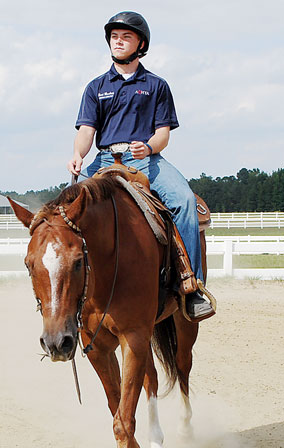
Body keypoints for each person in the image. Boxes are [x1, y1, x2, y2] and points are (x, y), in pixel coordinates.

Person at [67, 10, 214, 322]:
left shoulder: (157, 86)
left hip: (146, 161)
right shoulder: (96, 87)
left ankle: (191, 284)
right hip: (104, 159)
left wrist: (148, 147)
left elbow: (163, 133)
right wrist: (79, 154)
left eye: (126, 37)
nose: (118, 42)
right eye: (114, 37)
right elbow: (86, 131)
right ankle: (69, 291)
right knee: (67, 212)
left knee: (184, 202)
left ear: (140, 44)